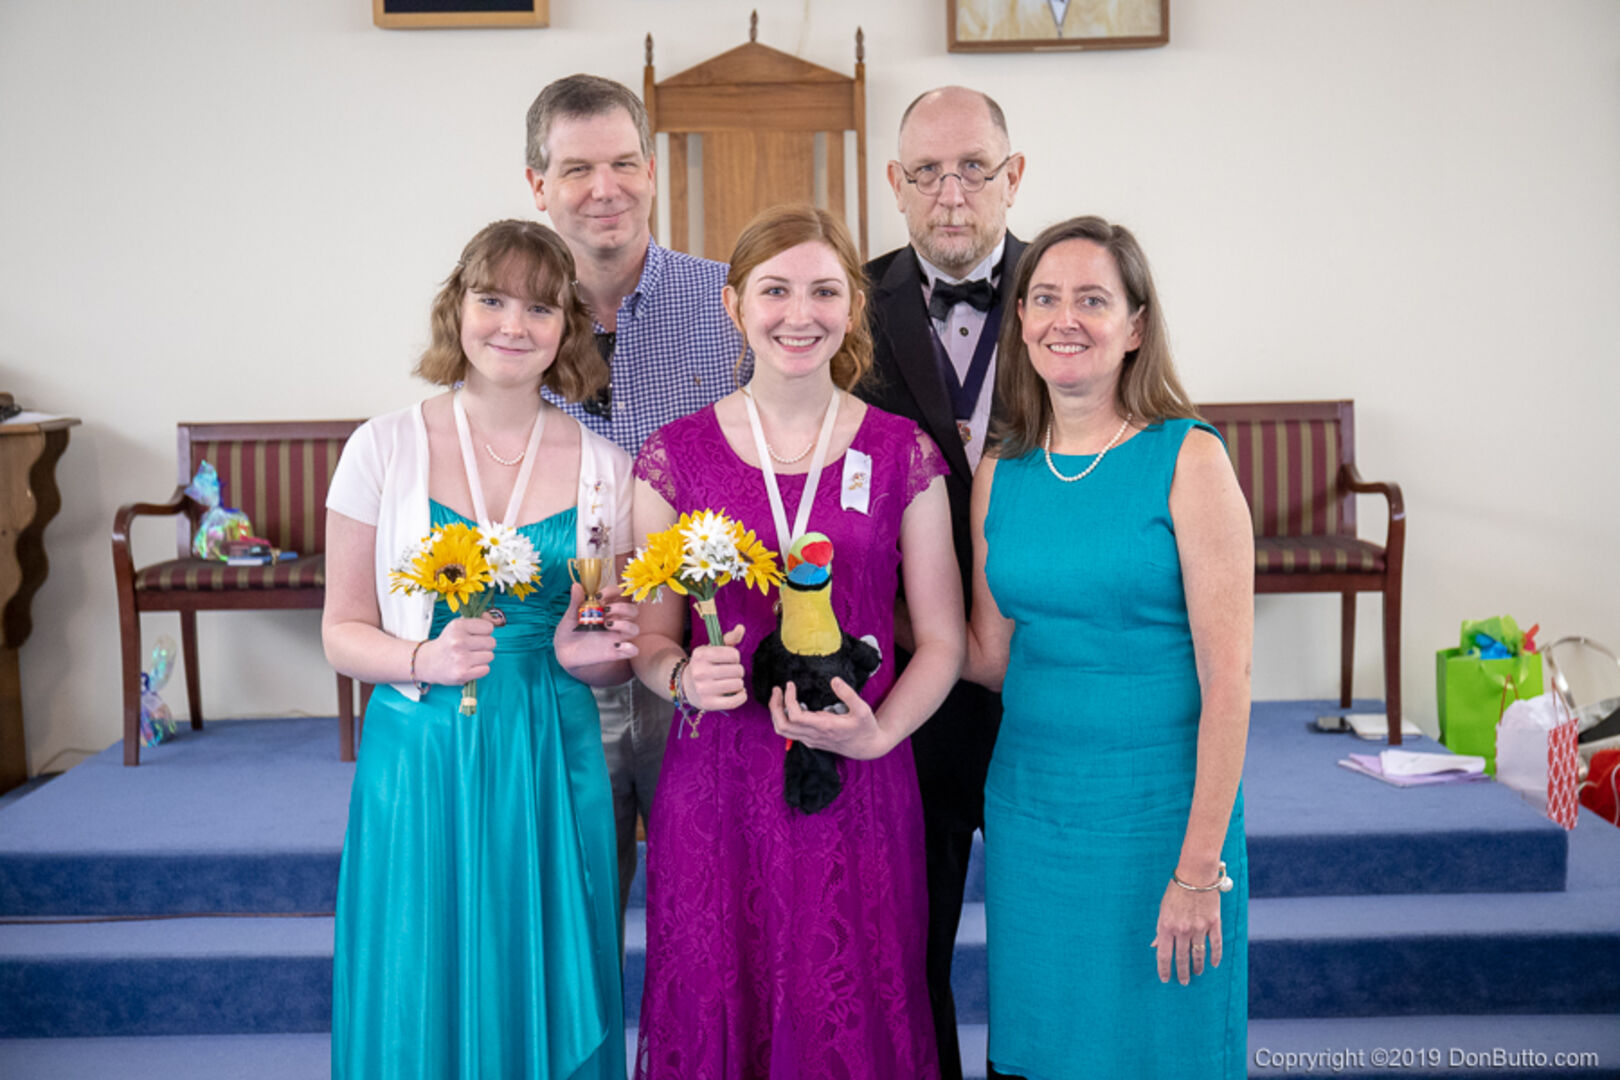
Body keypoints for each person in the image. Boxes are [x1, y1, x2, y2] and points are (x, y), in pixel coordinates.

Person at [629, 204, 964, 1078]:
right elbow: (650, 640)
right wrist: (681, 676)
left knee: (845, 1002)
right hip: (720, 780)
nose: (799, 314)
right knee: (723, 1001)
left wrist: (882, 734)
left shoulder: (901, 452)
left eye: (823, 291)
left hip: (860, 775)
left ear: (852, 305)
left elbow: (944, 640)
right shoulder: (674, 455)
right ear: (735, 305)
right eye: (775, 291)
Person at [323, 219, 639, 1079]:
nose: (512, 325)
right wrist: (421, 660)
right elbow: (341, 631)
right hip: (420, 746)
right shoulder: (381, 447)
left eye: (540, 307)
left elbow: (614, 657)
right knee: (418, 966)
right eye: (492, 299)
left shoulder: (608, 469)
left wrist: (587, 649)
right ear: (456, 308)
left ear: (567, 327)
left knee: (545, 960)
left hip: (551, 742)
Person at [962, 216, 1253, 1079]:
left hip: (1158, 811)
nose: (1066, 319)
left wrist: (1198, 868)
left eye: (1093, 300)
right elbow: (986, 655)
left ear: (1134, 327)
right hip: (1033, 810)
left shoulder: (1187, 458)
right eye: (1046, 298)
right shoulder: (1002, 471)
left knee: (1160, 1047)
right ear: (1021, 319)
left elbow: (1230, 680)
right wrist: (846, 617)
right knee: (1045, 1044)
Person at [525, 73, 743, 921]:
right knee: (572, 912)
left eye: (623, 163)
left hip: (698, 654)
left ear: (652, 171)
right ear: (538, 184)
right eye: (577, 169)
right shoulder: (511, 322)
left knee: (711, 905)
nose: (604, 188)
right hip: (557, 662)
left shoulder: (730, 305)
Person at [858, 84, 1024, 1080]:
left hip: (1043, 674)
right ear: (895, 181)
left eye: (973, 168)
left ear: (1015, 175)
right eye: (926, 171)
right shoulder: (841, 302)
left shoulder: (1073, 291)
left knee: (1055, 934)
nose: (950, 193)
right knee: (909, 941)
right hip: (907, 672)